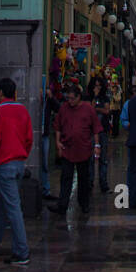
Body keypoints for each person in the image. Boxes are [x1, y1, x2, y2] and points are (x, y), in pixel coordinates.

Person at [0, 77, 33, 265]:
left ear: (1, 92)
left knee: (13, 208)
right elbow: (29, 138)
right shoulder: (23, 110)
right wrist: (23, 156)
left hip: (5, 163)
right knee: (5, 204)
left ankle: (22, 251)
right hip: (19, 163)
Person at [50, 84, 101, 216]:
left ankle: (84, 204)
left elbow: (95, 128)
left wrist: (97, 145)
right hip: (68, 149)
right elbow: (58, 126)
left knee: (83, 178)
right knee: (66, 177)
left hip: (83, 149)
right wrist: (58, 142)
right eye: (68, 98)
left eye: (72, 98)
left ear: (79, 97)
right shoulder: (64, 109)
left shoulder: (88, 109)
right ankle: (62, 204)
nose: (70, 101)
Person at [40, 82, 61, 201]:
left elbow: (58, 108)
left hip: (45, 134)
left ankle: (45, 190)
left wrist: (51, 97)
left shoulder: (48, 101)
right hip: (37, 134)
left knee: (44, 164)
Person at [90, 82, 111, 195]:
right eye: (95, 85)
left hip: (103, 131)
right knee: (91, 158)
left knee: (103, 158)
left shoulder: (105, 98)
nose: (97, 87)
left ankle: (103, 183)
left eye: (99, 85)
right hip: (91, 132)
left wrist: (97, 108)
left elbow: (107, 110)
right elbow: (91, 109)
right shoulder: (90, 98)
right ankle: (90, 182)